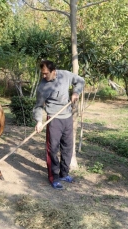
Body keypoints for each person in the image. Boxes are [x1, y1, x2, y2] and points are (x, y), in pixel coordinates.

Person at [33, 60, 85, 190]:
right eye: (42, 74)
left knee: (67, 147)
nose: (43, 76)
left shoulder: (65, 75)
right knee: (53, 150)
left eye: (46, 74)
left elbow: (81, 81)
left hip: (67, 117)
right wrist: (39, 121)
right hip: (53, 120)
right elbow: (38, 106)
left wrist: (76, 92)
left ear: (53, 71)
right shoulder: (43, 87)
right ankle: (54, 178)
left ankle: (64, 174)